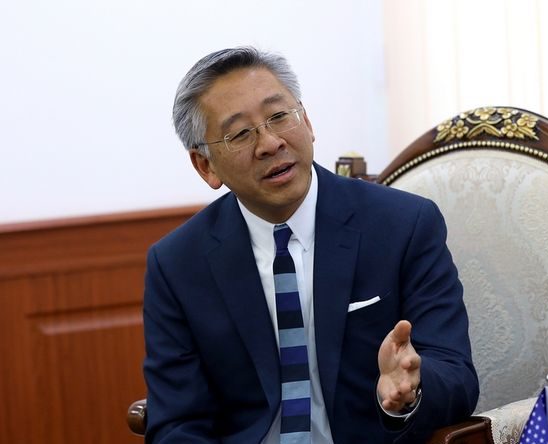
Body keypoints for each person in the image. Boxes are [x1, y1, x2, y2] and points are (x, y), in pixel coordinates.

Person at [142, 45, 478, 444]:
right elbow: (176, 423)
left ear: (307, 121)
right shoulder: (177, 264)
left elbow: (456, 374)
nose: (270, 143)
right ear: (205, 166)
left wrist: (407, 393)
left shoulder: (404, 225)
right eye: (241, 133)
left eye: (279, 116)